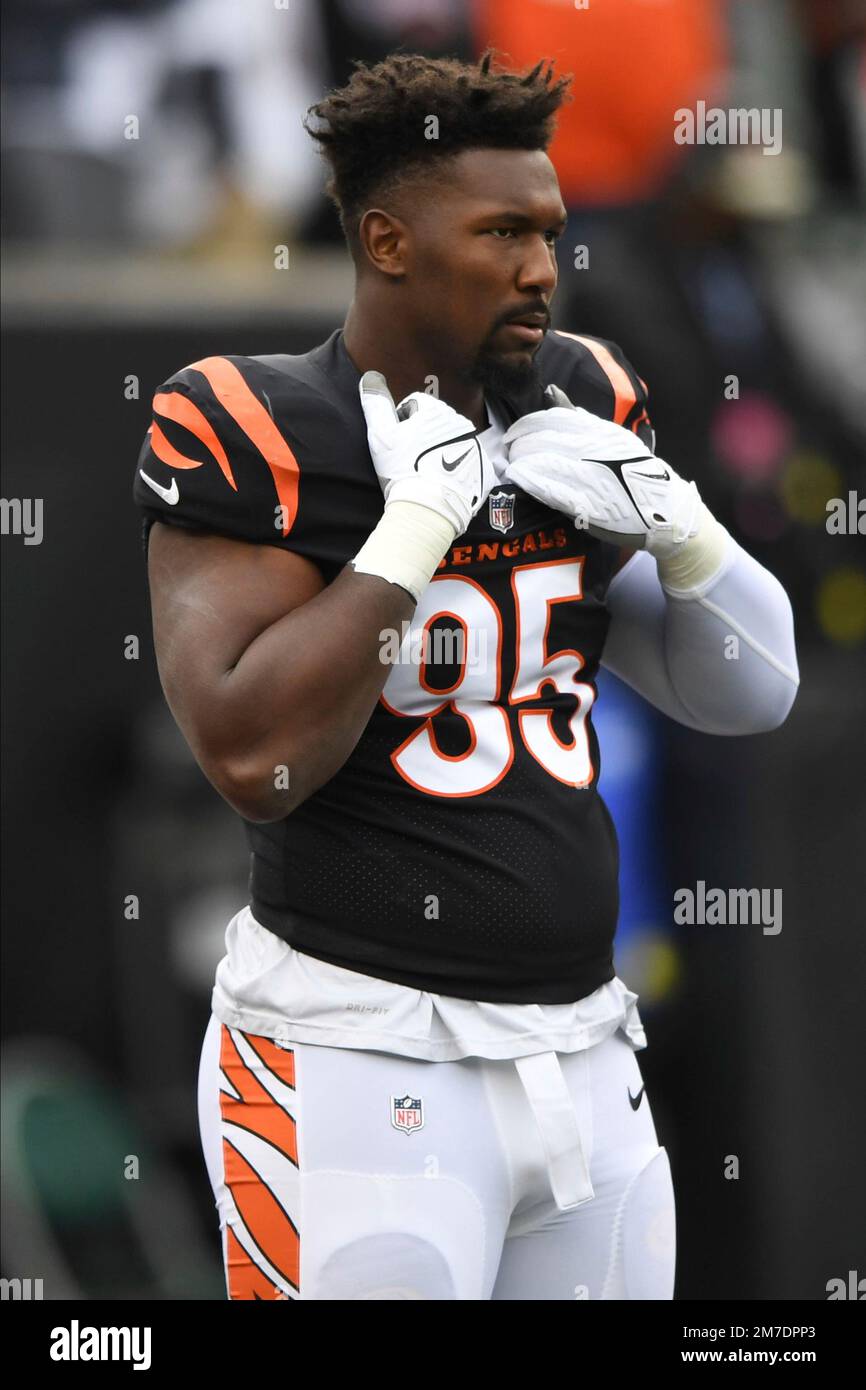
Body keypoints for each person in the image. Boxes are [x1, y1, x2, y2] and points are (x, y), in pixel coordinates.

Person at [133, 51, 799, 1301]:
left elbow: (750, 689)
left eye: (546, 231)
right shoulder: (260, 422)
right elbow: (250, 758)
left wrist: (678, 523)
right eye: (499, 232)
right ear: (386, 240)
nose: (540, 266)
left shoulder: (580, 398)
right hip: (354, 1055)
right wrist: (410, 535)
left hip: (585, 1051)